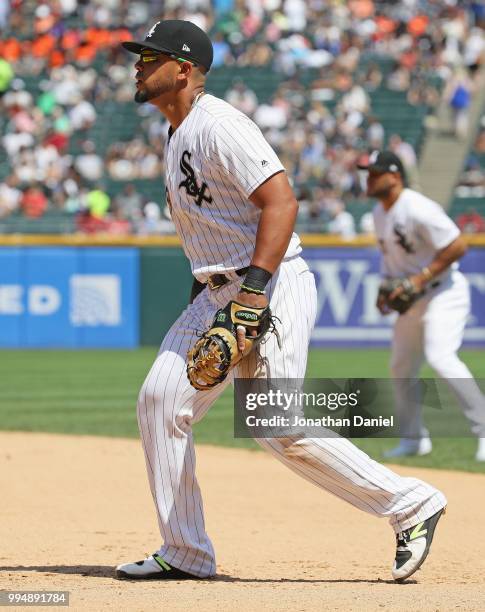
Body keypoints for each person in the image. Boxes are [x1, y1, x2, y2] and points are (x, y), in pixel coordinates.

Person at [116, 20, 447, 583]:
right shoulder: (175, 134)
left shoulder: (220, 125)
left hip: (269, 283)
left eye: (151, 57)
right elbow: (213, 236)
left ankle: (412, 504)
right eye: (139, 57)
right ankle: (186, 551)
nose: (139, 66)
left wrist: (251, 294)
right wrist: (210, 306)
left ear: (185, 68)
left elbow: (281, 201)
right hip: (217, 289)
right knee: (158, 401)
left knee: (278, 425)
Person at [359, 151, 485, 461]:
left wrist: (420, 278)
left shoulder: (417, 207)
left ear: (395, 176)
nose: (369, 178)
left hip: (444, 292)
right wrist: (384, 289)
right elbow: (392, 260)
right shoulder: (379, 213)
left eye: (376, 172)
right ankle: (414, 440)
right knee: (401, 367)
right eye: (367, 172)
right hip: (412, 300)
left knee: (441, 358)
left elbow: (457, 245)